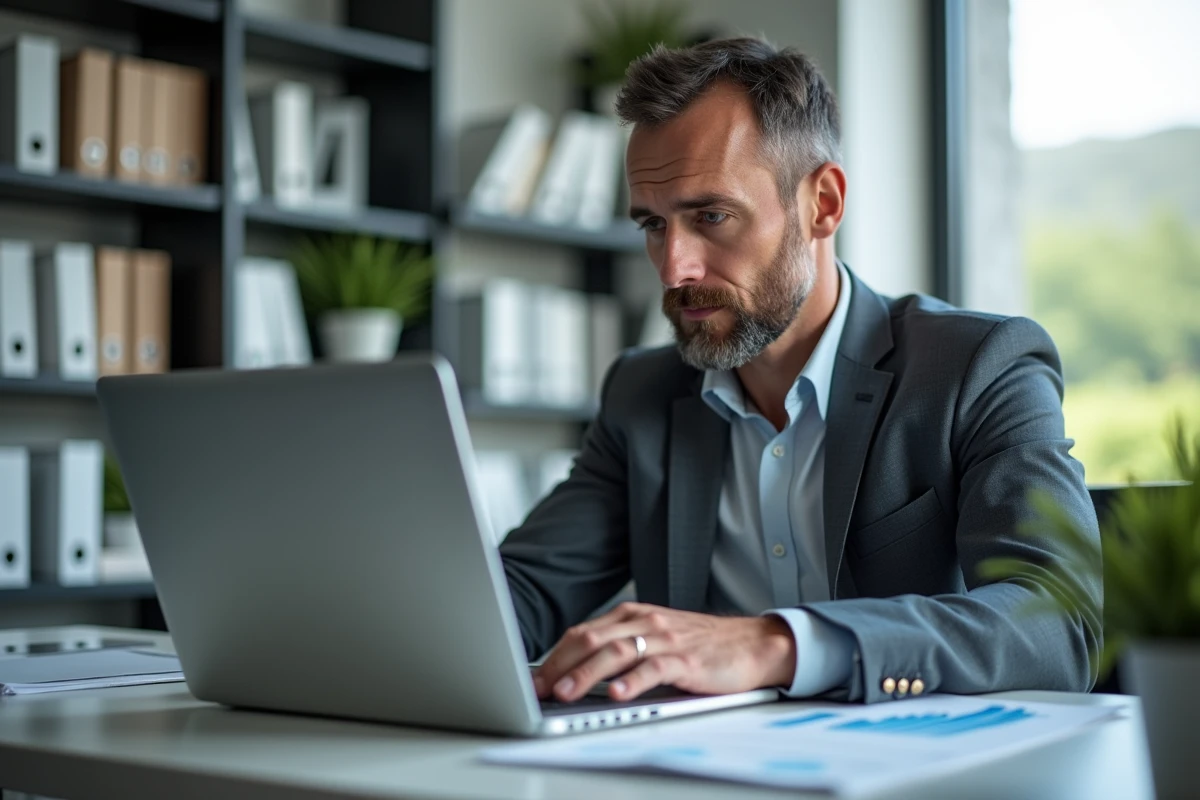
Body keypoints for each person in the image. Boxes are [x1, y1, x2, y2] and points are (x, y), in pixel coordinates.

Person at [500, 37, 1101, 705]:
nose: (674, 269)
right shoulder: (641, 395)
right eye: (652, 224)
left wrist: (778, 644)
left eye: (712, 216)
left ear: (823, 203)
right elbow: (521, 592)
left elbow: (1059, 623)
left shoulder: (979, 367)